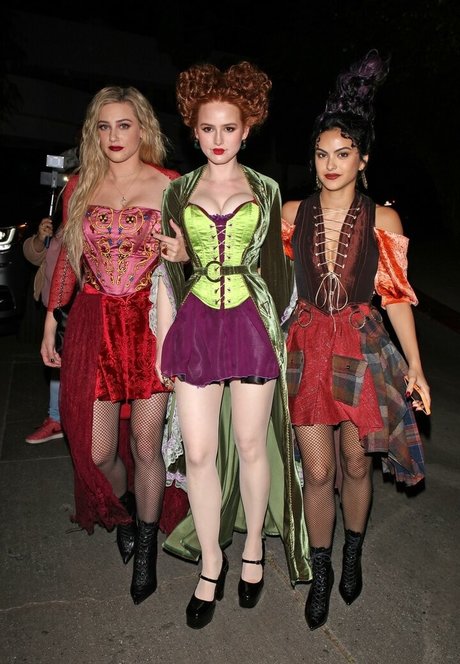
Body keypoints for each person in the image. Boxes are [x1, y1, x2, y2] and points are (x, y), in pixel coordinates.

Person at [153, 60, 310, 630]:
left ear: (247, 130)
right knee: (198, 453)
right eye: (207, 128)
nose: (217, 139)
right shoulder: (177, 192)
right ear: (193, 131)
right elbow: (167, 275)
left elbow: (279, 273)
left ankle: (252, 551)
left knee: (249, 446)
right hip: (196, 327)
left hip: (250, 325)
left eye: (229, 128)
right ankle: (211, 564)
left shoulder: (266, 190)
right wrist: (162, 343)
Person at [281, 50, 431, 630]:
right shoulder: (292, 214)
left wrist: (415, 365)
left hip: (361, 349)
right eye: (322, 154)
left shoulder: (383, 221)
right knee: (318, 471)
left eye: (343, 153)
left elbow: (396, 296)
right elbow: (265, 279)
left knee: (355, 464)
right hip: (306, 348)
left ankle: (352, 552)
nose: (330, 164)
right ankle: (321, 570)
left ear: (363, 159)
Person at [40, 85, 182, 605]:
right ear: (93, 134)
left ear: (143, 128)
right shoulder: (80, 186)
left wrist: (185, 253)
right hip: (95, 323)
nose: (114, 136)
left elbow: (192, 261)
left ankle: (145, 548)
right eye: (104, 126)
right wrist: (51, 321)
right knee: (99, 451)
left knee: (146, 445)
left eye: (124, 125)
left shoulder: (171, 185)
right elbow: (68, 258)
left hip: (150, 324)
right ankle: (124, 511)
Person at [23, 217, 64, 444]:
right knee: (56, 362)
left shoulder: (90, 216)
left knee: (67, 365)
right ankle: (57, 419)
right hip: (52, 308)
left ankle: (64, 420)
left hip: (73, 308)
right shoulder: (59, 220)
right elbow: (34, 256)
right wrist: (40, 239)